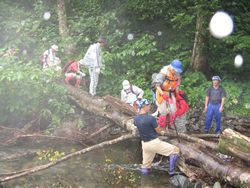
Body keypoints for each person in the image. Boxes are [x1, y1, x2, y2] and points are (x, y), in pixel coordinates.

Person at [133, 99, 181, 176]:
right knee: (175, 150)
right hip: (154, 143)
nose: (149, 108)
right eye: (149, 106)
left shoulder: (136, 119)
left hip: (145, 144)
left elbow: (140, 124)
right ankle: (171, 171)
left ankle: (143, 181)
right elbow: (158, 131)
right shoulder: (151, 118)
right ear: (144, 106)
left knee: (145, 166)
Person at [154, 59, 183, 130]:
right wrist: (163, 95)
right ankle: (162, 127)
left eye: (177, 71)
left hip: (170, 92)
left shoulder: (177, 74)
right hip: (161, 92)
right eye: (175, 70)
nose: (176, 72)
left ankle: (171, 124)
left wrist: (177, 95)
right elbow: (157, 86)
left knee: (173, 109)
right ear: (171, 68)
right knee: (163, 111)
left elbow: (177, 85)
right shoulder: (164, 72)